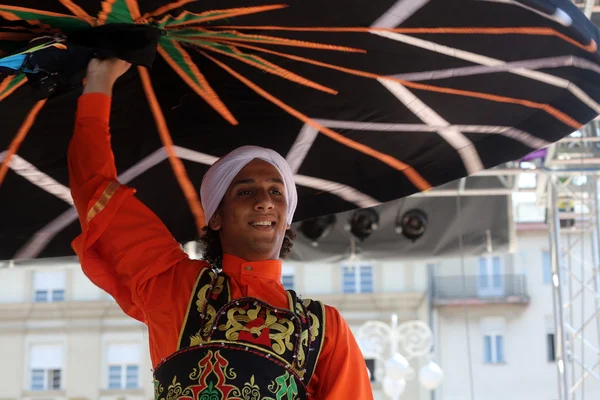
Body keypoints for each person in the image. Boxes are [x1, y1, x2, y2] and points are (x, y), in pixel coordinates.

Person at [68, 58, 373, 399]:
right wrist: (99, 82)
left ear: (287, 218)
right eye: (245, 191)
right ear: (215, 216)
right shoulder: (175, 287)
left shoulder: (323, 328)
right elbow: (96, 191)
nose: (265, 201)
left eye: (276, 191)